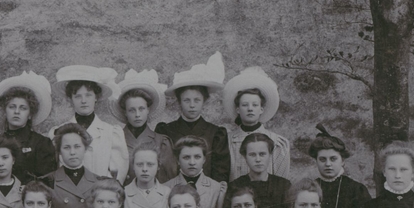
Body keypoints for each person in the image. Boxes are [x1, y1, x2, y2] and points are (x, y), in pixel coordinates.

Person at [159, 53, 230, 184]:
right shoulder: (166, 131)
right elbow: (162, 169)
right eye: (187, 100)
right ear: (179, 102)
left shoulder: (216, 133)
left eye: (197, 100)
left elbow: (220, 173)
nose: (192, 105)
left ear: (204, 101)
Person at [52, 65, 128, 182]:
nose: (83, 101)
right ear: (70, 99)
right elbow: (57, 171)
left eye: (88, 95)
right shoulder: (58, 132)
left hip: (102, 191)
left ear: (96, 97)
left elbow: (118, 174)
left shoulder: (111, 132)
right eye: (78, 96)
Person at [308, 124, 371, 208]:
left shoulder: (356, 190)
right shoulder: (309, 189)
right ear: (316, 161)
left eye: (333, 159)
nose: (328, 164)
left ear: (342, 161)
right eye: (322, 159)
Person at [224, 66, 290, 180]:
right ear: (238, 109)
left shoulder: (278, 142)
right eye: (245, 105)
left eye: (255, 105)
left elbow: (281, 183)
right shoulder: (227, 141)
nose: (250, 109)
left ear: (261, 109)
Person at [112, 69, 177, 183]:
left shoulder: (161, 142)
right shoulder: (115, 139)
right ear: (125, 112)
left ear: (148, 110)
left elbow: (170, 181)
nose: (137, 115)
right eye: (132, 110)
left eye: (141, 109)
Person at [0, 71, 57, 182]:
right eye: (12, 107)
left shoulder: (42, 143)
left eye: (23, 108)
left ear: (30, 114)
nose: (16, 112)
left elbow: (46, 181)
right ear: (5, 111)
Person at [227, 133, 291, 208]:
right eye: (252, 155)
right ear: (245, 157)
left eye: (262, 154)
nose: (258, 159)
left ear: (270, 155)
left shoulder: (283, 185)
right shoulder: (235, 186)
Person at [164, 136, 227, 208]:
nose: (192, 162)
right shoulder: (166, 188)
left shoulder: (216, 188)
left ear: (204, 159)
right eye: (186, 157)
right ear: (178, 161)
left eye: (197, 157)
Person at [47, 123, 101, 208]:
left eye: (77, 146)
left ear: (85, 148)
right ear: (59, 151)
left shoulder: (99, 182)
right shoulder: (48, 181)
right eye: (66, 147)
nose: (72, 152)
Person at [123, 144, 171, 208]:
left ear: (158, 166)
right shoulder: (124, 194)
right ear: (133, 166)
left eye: (150, 164)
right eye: (139, 164)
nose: (144, 169)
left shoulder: (168, 193)